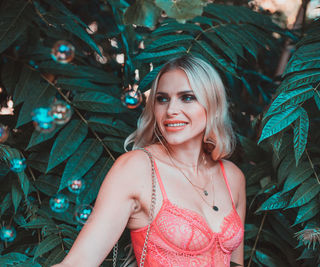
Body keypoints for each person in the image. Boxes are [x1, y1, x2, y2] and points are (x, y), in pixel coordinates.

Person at [53, 55, 245, 267]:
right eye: (162, 99)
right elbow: (79, 262)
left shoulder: (233, 176)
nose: (171, 110)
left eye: (187, 97)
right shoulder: (136, 169)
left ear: (213, 105)